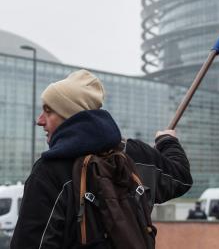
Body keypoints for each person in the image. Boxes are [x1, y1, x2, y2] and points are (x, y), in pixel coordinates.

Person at [11, 69, 193, 248]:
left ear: (69, 116)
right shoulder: (133, 153)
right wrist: (167, 141)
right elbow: (180, 177)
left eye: (49, 111)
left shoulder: (49, 172)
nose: (40, 120)